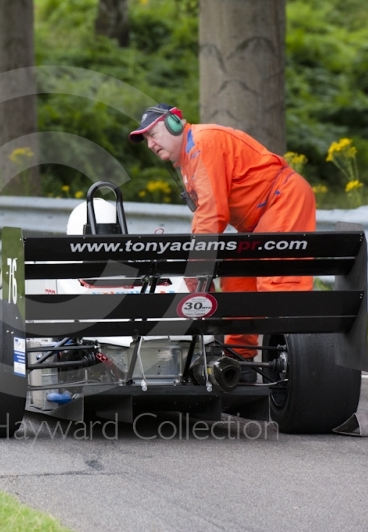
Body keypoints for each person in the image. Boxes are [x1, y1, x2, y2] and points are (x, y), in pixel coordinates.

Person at [129, 103, 317, 375]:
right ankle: (239, 365)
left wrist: (197, 270)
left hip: (282, 201)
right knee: (237, 281)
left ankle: (300, 369)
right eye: (145, 139)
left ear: (174, 124)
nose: (149, 144)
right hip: (257, 219)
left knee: (278, 286)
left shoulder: (203, 144)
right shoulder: (189, 160)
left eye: (153, 134)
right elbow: (204, 217)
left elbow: (211, 213)